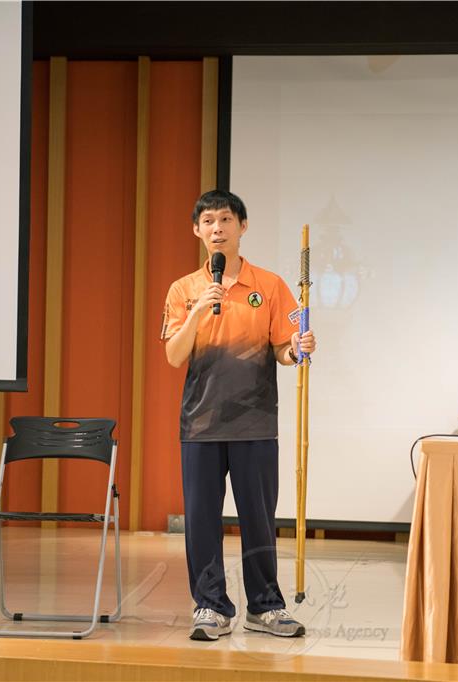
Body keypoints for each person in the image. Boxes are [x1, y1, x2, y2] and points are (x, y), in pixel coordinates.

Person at [161, 190, 317, 641]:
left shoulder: (269, 285)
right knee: (201, 521)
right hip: (201, 423)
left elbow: (284, 349)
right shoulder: (183, 290)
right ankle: (210, 606)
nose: (217, 228)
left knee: (258, 518)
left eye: (226, 219)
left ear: (242, 226)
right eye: (208, 221)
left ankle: (265, 607)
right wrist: (196, 311)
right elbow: (174, 356)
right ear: (196, 229)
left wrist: (297, 348)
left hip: (255, 422)